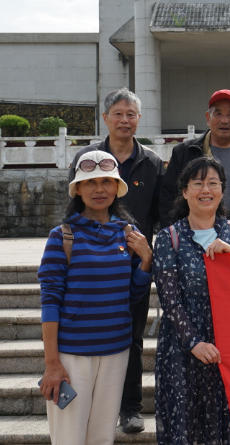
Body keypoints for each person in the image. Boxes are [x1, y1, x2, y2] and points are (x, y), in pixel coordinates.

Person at [39, 150, 152, 445]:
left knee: (102, 437)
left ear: (117, 188)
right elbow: (50, 302)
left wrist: (145, 261)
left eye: (106, 181)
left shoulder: (128, 234)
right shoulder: (62, 236)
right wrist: (52, 363)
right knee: (69, 438)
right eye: (90, 182)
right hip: (72, 355)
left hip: (116, 351)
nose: (99, 189)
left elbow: (132, 295)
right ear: (77, 189)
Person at [68, 87, 163, 433]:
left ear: (139, 119)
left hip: (133, 266)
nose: (125, 120)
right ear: (105, 118)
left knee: (132, 336)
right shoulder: (87, 158)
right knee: (84, 331)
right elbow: (73, 207)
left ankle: (130, 407)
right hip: (90, 263)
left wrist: (150, 255)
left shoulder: (152, 162)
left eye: (131, 114)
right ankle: (87, 404)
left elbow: (161, 215)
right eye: (118, 114)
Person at [153, 157, 230, 445]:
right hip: (182, 349)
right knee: (185, 425)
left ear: (222, 190)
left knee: (229, 424)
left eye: (213, 183)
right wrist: (194, 343)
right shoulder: (169, 238)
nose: (206, 190)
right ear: (184, 191)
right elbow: (170, 300)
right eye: (198, 183)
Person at [159, 88, 230, 251]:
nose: (224, 121)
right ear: (208, 118)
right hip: (191, 243)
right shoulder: (185, 154)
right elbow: (167, 200)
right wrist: (174, 241)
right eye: (218, 114)